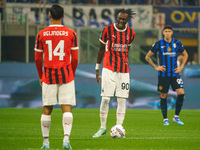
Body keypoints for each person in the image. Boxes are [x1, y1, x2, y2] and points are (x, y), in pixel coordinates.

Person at [34, 4, 78, 149]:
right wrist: (71, 73)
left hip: (48, 75)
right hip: (66, 75)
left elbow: (37, 59)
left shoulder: (41, 34)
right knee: (67, 108)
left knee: (47, 108)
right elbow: (75, 58)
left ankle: (45, 142)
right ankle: (66, 140)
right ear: (63, 15)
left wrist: (41, 76)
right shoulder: (71, 33)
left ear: (50, 15)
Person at [93, 9, 136, 138]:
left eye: (124, 19)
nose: (121, 21)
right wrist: (97, 68)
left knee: (122, 100)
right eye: (120, 18)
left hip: (123, 71)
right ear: (117, 18)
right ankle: (102, 127)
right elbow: (101, 49)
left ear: (128, 20)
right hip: (108, 68)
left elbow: (126, 50)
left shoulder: (131, 33)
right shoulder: (107, 30)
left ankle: (119, 127)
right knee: (106, 98)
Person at [145, 25, 188, 126]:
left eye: (169, 31)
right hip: (163, 75)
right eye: (166, 31)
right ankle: (165, 119)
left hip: (175, 74)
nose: (167, 33)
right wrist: (156, 67)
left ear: (172, 33)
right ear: (163, 33)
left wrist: (181, 67)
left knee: (181, 93)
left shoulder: (177, 43)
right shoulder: (158, 43)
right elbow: (147, 56)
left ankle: (176, 117)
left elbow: (185, 54)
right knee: (164, 95)